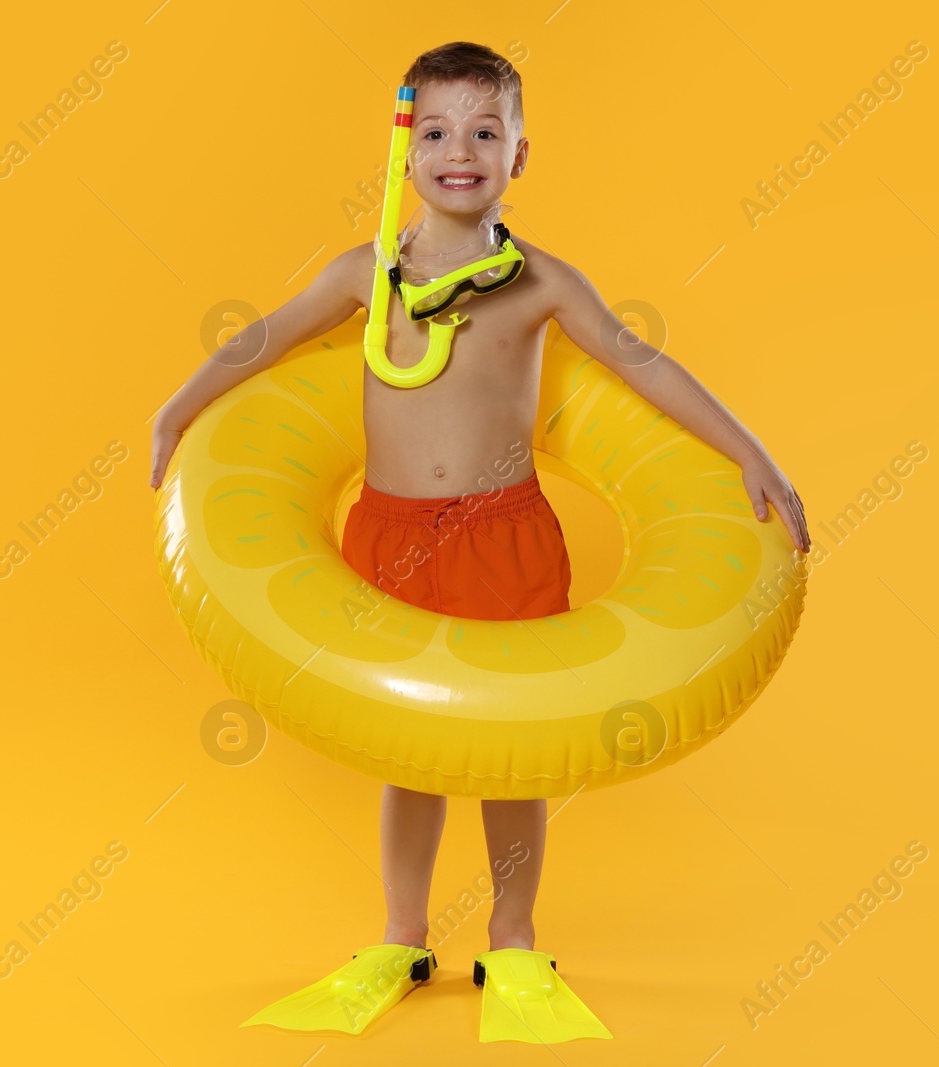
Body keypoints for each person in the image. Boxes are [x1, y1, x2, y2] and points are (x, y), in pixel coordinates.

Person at [148, 41, 809, 1043]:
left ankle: (512, 935)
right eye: (440, 131)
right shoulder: (364, 274)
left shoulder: (539, 282)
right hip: (390, 534)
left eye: (486, 131)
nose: (461, 151)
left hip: (504, 536)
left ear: (520, 154)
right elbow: (265, 339)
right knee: (405, 752)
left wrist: (752, 449)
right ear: (405, 152)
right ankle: (400, 935)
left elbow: (641, 361)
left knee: (514, 756)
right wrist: (177, 407)